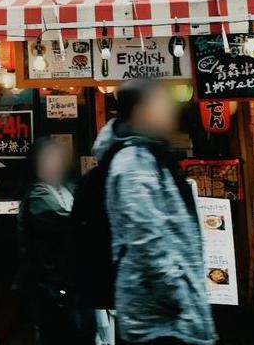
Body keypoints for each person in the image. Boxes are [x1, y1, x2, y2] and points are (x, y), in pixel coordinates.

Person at [92, 79, 215, 345]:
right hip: (159, 318)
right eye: (161, 104)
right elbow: (146, 241)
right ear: (141, 111)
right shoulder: (133, 162)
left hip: (167, 313)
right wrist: (181, 296)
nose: (170, 110)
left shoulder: (149, 154)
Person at [17, 137, 81, 345]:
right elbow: (68, 223)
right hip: (48, 283)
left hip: (64, 280)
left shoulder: (63, 188)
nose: (55, 165)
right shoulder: (38, 194)